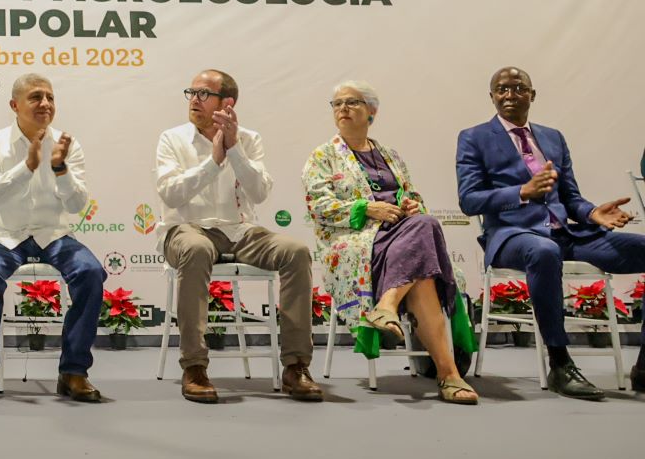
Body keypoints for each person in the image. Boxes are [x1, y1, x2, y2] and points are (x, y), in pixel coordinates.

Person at [456, 66, 645, 398]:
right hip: (512, 235)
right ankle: (560, 364)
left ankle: (644, 366)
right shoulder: (474, 137)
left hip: (566, 236)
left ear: (532, 94)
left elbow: (571, 197)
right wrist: (521, 192)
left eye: (518, 88)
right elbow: (469, 200)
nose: (510, 95)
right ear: (491, 97)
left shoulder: (553, 137)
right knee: (544, 251)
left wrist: (592, 213)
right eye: (501, 90)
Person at [303, 81, 477, 404]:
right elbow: (319, 206)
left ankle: (387, 306)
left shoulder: (390, 155)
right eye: (336, 103)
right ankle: (448, 375)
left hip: (401, 236)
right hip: (357, 242)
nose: (342, 109)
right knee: (424, 260)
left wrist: (410, 205)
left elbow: (412, 196)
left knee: (423, 224)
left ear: (372, 112)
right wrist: (366, 208)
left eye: (352, 102)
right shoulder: (322, 156)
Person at [155, 69, 322, 403]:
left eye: (203, 94)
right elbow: (171, 194)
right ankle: (195, 366)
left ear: (226, 103)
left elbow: (259, 192)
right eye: (191, 93)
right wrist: (213, 162)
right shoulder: (171, 138)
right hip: (187, 228)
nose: (194, 100)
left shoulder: (249, 138)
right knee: (197, 249)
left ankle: (296, 365)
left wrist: (234, 150)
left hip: (241, 230)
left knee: (296, 251)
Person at [0, 74, 106, 402]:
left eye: (50, 97)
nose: (45, 104)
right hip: (4, 234)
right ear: (15, 105)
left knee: (90, 272)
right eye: (36, 97)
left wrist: (60, 169)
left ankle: (74, 371)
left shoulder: (67, 145)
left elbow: (76, 205)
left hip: (54, 233)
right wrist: (25, 168)